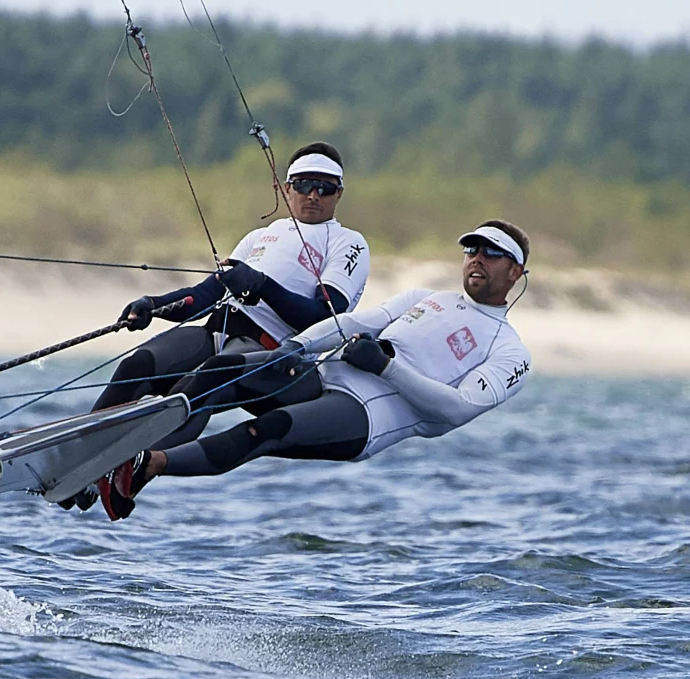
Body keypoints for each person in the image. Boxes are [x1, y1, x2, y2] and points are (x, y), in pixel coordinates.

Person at [99, 220, 532, 519]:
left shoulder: (510, 352)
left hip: (365, 418)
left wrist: (386, 368)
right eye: (472, 249)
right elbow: (354, 323)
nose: (478, 258)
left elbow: (454, 411)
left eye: (493, 253)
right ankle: (118, 458)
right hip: (323, 377)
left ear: (515, 272)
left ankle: (148, 463)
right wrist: (296, 347)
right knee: (222, 370)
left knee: (264, 431)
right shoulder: (426, 295)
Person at [64, 142, 371, 512]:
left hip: (274, 354)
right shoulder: (261, 237)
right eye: (304, 184)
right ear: (284, 189)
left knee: (203, 383)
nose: (313, 195)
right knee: (137, 365)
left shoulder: (348, 243)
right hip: (218, 332)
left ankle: (125, 473)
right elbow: (206, 294)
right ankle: (76, 456)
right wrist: (154, 306)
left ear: (339, 193)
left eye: (324, 187)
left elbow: (326, 315)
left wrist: (261, 285)